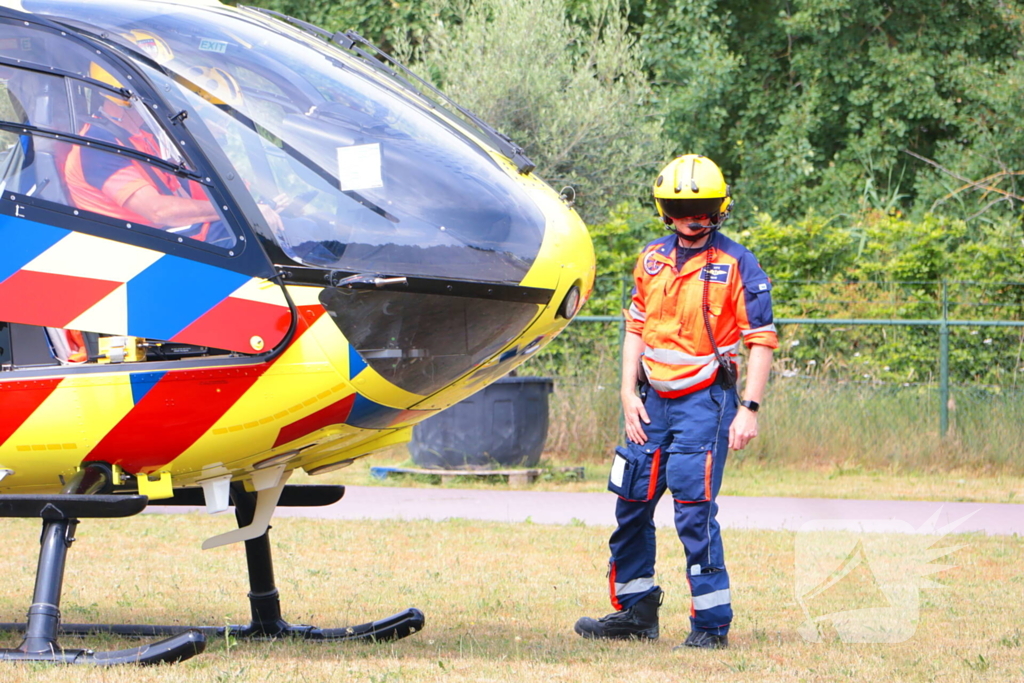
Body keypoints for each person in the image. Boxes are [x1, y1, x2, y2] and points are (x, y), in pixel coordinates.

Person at [574, 154, 777, 649]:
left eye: (704, 207)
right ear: (665, 211)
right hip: (650, 404)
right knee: (631, 504)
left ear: (720, 209)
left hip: (705, 405)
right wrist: (626, 391)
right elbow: (637, 326)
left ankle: (710, 626)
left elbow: (762, 339)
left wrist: (748, 410)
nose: (694, 217)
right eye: (682, 208)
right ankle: (636, 614)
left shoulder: (737, 264)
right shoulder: (651, 258)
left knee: (692, 510)